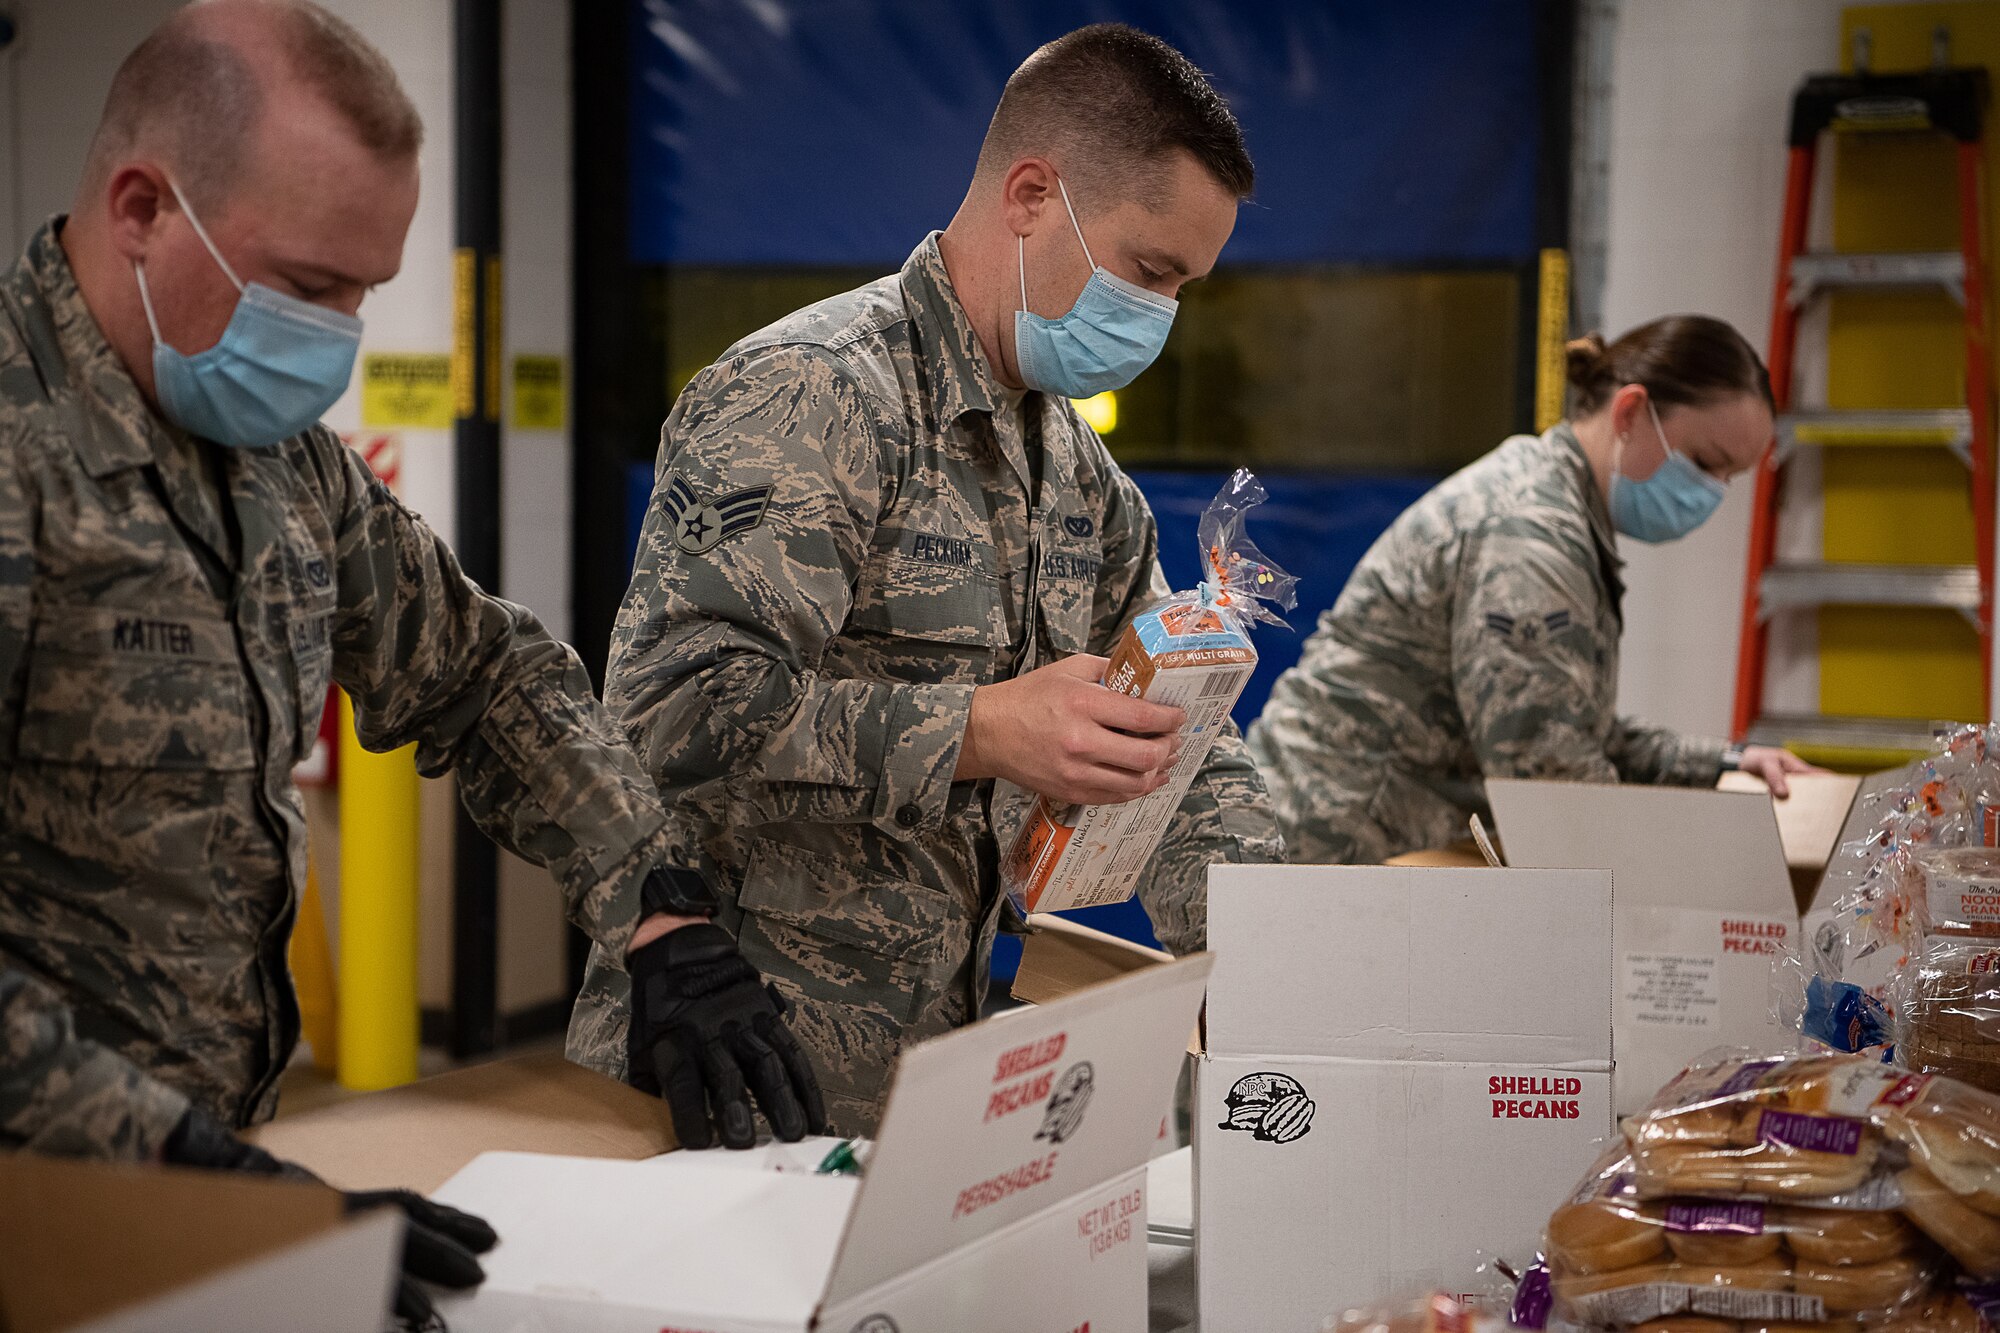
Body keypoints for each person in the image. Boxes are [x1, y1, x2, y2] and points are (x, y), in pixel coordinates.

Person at [0, 3, 819, 1323]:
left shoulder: (283, 465)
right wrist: (168, 1159)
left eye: (366, 290)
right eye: (309, 285)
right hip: (55, 1201)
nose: (340, 336)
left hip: (205, 1203)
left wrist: (657, 909)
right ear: (144, 208)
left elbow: (484, 677)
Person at [573, 24, 1285, 1133]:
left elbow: (1178, 745)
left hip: (934, 1063)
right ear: (1031, 195)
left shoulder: (1075, 471)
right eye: (1149, 272)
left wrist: (1283, 959)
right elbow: (666, 718)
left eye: (1185, 287)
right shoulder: (813, 397)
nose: (1159, 316)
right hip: (737, 1060)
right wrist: (982, 730)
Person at [1247, 315, 1823, 865]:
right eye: (1705, 462)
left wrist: (1728, 763)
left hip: (1362, 836)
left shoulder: (1561, 510)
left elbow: (1570, 728)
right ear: (1630, 412)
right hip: (1330, 843)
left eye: (1730, 478)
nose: (1713, 493)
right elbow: (1554, 787)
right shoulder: (1529, 540)